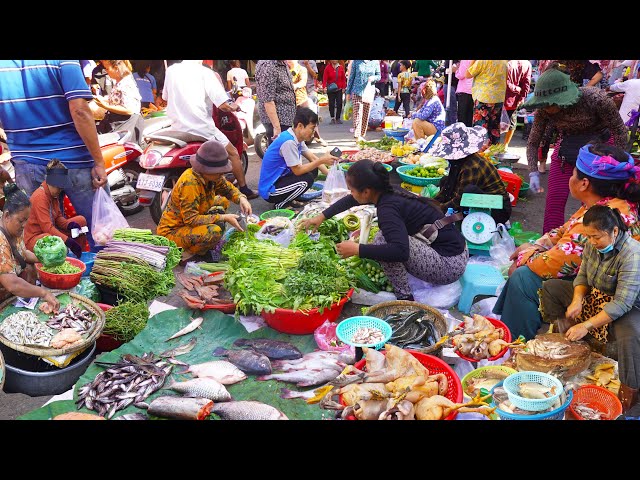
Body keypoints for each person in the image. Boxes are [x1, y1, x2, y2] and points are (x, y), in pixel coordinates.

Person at [493, 143, 640, 341]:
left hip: (609, 297)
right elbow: (564, 231)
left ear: (584, 183)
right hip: (599, 281)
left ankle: (517, 343)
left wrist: (524, 255)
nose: (570, 178)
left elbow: (551, 264)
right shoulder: (608, 203)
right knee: (524, 269)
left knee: (522, 277)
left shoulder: (604, 219)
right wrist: (537, 245)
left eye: (573, 174)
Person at [299, 159, 468, 301]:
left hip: (450, 266)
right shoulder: (388, 190)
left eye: (351, 190)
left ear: (366, 192)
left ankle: (404, 298)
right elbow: (352, 200)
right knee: (384, 237)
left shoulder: (387, 209)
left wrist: (358, 249)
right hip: (456, 251)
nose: (350, 193)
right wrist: (321, 217)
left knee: (383, 240)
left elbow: (400, 252)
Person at [539, 204, 640, 416]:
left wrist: (586, 324)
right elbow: (583, 276)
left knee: (630, 334)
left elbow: (622, 303)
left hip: (627, 307)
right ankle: (568, 347)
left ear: (614, 231)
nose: (592, 242)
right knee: (552, 288)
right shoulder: (592, 245)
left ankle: (629, 395)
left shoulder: (632, 255)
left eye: (596, 237)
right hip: (595, 296)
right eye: (589, 237)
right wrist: (577, 299)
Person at [0, 60, 108, 249]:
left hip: (27, 162)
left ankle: (57, 278)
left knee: (43, 243)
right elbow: (80, 110)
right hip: (74, 160)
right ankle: (104, 276)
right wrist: (99, 161)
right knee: (102, 235)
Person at [521, 65, 628, 233]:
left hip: (599, 150)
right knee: (554, 200)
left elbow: (619, 129)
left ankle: (585, 244)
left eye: (551, 104)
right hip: (567, 148)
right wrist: (533, 170)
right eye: (545, 105)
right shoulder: (544, 109)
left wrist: (616, 165)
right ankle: (550, 246)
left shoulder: (595, 99)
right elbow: (534, 141)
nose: (548, 109)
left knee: (591, 204)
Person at [163, 60, 258, 199]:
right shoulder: (205, 73)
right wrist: (234, 107)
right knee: (233, 153)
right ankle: (244, 190)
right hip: (201, 127)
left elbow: (165, 97)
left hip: (176, 128)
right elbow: (223, 104)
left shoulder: (171, 70)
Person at [157, 140, 252, 258]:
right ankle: (188, 254)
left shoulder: (212, 177)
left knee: (222, 201)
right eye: (219, 173)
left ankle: (205, 245)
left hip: (191, 221)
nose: (221, 175)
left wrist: (241, 198)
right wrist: (224, 217)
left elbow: (227, 189)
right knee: (213, 232)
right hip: (173, 232)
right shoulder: (189, 183)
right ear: (206, 170)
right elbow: (191, 220)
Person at [432, 122, 512, 224]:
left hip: (498, 210)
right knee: (445, 180)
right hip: (479, 199)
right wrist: (432, 203)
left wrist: (438, 210)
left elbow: (460, 199)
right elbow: (448, 187)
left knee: (469, 190)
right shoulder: (458, 162)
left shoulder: (471, 167)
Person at [258, 107, 334, 210]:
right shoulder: (289, 142)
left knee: (313, 169)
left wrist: (332, 177)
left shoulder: (296, 138)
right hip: (270, 189)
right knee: (306, 179)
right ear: (300, 126)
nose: (314, 132)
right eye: (312, 128)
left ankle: (290, 197)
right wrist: (322, 160)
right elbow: (297, 171)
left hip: (280, 180)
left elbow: (312, 157)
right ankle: (281, 204)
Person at [0, 183, 60, 310]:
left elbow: (23, 253)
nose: (24, 225)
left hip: (11, 287)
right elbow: (12, 284)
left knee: (29, 268)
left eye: (26, 220)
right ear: (6, 216)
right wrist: (43, 293)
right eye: (21, 221)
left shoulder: (14, 230)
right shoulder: (1, 240)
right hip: (6, 288)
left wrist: (46, 260)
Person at [24, 160, 88, 258]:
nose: (60, 190)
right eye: (59, 187)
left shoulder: (53, 194)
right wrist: (68, 241)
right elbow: (47, 228)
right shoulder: (40, 197)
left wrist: (69, 225)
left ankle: (81, 258)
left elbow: (58, 219)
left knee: (81, 221)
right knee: (50, 239)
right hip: (36, 238)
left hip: (48, 232)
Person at [465, 60, 509, 146]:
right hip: (498, 97)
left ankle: (481, 153)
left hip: (484, 97)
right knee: (494, 128)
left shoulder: (482, 61)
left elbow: (467, 74)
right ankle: (493, 152)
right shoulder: (504, 62)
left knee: (480, 129)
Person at [255, 60, 297, 147]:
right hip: (277, 120)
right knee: (279, 153)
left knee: (286, 152)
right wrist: (277, 128)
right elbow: (268, 100)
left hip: (285, 119)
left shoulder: (281, 63)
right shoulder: (268, 65)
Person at [93, 60, 142, 134]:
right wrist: (104, 99)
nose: (106, 71)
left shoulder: (126, 84)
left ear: (116, 68)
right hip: (117, 123)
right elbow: (118, 100)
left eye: (107, 68)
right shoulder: (119, 82)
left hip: (126, 125)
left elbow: (129, 109)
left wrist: (105, 106)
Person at [345, 60, 381, 143]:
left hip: (369, 92)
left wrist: (373, 78)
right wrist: (348, 93)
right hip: (357, 91)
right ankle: (357, 135)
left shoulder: (375, 62)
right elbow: (351, 78)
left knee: (366, 114)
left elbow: (379, 76)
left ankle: (362, 135)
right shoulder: (356, 62)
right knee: (357, 113)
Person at [503, 60, 532, 149]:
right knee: (512, 122)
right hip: (514, 99)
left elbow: (504, 81)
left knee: (496, 123)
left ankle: (500, 146)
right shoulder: (527, 64)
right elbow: (527, 83)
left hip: (501, 96)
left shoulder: (506, 63)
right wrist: (522, 96)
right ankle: (505, 145)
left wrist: (516, 89)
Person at [323, 60, 347, 124]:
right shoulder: (327, 68)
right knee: (331, 103)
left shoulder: (341, 67)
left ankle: (338, 118)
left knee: (339, 103)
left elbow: (343, 78)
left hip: (339, 88)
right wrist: (324, 87)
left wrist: (344, 87)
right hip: (331, 89)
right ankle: (332, 118)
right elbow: (325, 78)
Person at [455, 60, 474, 127]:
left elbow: (461, 75)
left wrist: (456, 70)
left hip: (464, 89)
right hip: (473, 90)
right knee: (470, 116)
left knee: (462, 117)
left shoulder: (465, 60)